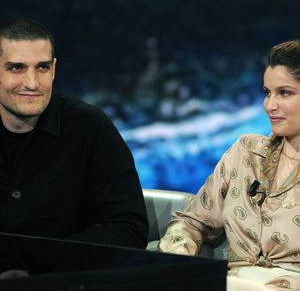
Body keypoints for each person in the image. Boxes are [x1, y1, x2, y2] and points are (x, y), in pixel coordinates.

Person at [0, 18, 149, 270]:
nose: (32, 83)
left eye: (42, 68)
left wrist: (39, 265)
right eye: (16, 68)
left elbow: (128, 228)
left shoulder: (90, 127)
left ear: (54, 70)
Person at [159, 40, 300, 290]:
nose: (270, 106)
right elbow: (193, 221)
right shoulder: (246, 152)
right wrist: (177, 262)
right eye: (267, 93)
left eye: (285, 93)